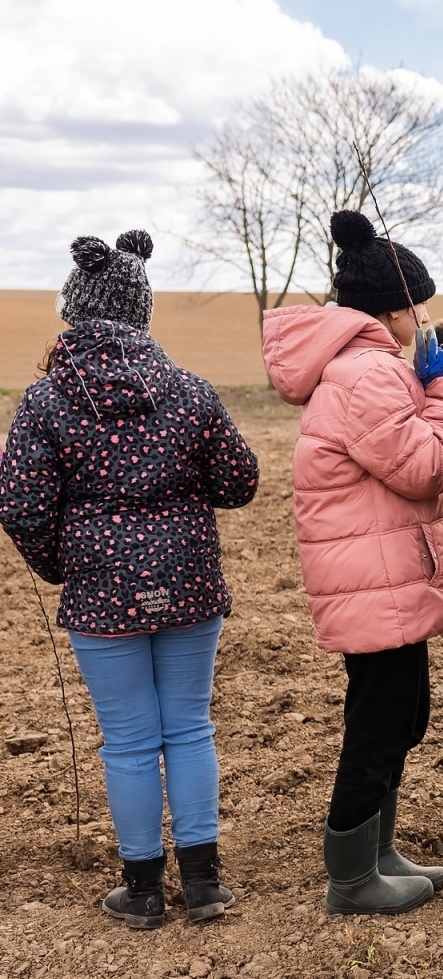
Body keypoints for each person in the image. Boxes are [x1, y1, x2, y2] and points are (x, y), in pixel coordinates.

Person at [0, 230, 258, 929]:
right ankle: (203, 884)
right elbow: (240, 483)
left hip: (100, 592)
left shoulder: (46, 400)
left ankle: (142, 889)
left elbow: (20, 503)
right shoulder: (190, 390)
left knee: (130, 739)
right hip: (189, 582)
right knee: (190, 726)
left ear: (72, 313)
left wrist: (66, 565)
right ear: (142, 311)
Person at [262, 210, 443, 916]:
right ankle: (351, 879)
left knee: (402, 715)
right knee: (381, 723)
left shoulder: (369, 368)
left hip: (381, 573)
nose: (427, 316)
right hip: (372, 580)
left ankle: (378, 853)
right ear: (392, 307)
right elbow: (426, 468)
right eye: (420, 303)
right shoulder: (367, 374)